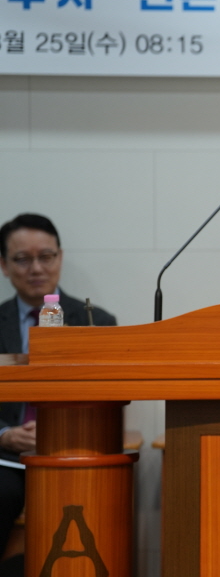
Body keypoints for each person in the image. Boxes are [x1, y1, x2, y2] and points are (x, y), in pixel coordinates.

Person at [0, 213, 117, 569]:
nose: (36, 268)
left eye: (46, 256)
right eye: (23, 259)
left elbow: (108, 398)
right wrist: (5, 434)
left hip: (74, 448)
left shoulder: (97, 322)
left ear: (60, 258)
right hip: (8, 456)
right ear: (4, 265)